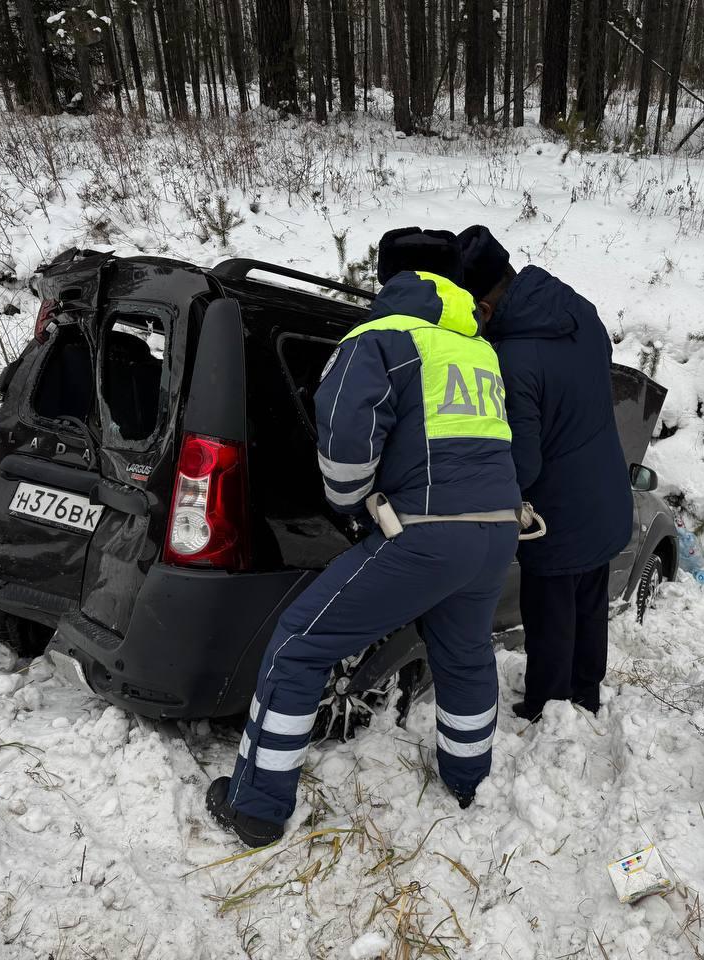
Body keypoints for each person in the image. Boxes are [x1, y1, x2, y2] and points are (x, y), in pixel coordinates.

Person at [206, 227, 522, 847]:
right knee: (463, 655)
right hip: (496, 533)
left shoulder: (380, 338)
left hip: (426, 536)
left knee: (299, 643)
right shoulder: (478, 351)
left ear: (389, 279)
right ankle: (469, 781)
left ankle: (256, 806)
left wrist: (352, 509)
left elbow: (347, 440)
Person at [457, 225, 631, 721]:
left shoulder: (511, 360)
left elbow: (525, 464)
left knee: (551, 618)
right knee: (589, 608)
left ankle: (547, 710)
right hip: (606, 493)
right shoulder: (577, 309)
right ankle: (585, 695)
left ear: (483, 309)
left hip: (559, 515)